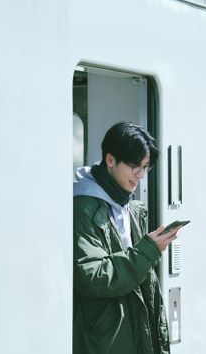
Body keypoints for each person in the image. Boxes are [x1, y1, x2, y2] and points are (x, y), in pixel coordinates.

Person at [73, 122, 180, 354]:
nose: (140, 175)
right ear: (110, 160)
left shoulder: (129, 206)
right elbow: (91, 275)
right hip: (105, 339)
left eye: (145, 167)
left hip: (128, 331)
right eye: (134, 167)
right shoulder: (83, 207)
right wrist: (147, 251)